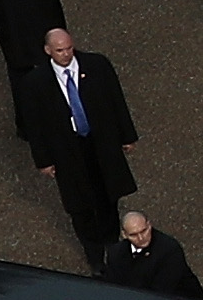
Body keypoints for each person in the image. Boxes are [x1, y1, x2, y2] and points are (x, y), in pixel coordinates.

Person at [12, 23, 142, 265]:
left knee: (107, 196)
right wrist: (43, 160)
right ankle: (94, 255)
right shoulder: (35, 83)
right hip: (66, 150)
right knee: (79, 205)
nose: (66, 54)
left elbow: (116, 100)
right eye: (60, 50)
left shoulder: (96, 66)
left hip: (99, 143)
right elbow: (35, 125)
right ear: (48, 50)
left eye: (69, 48)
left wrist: (127, 135)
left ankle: (112, 248)